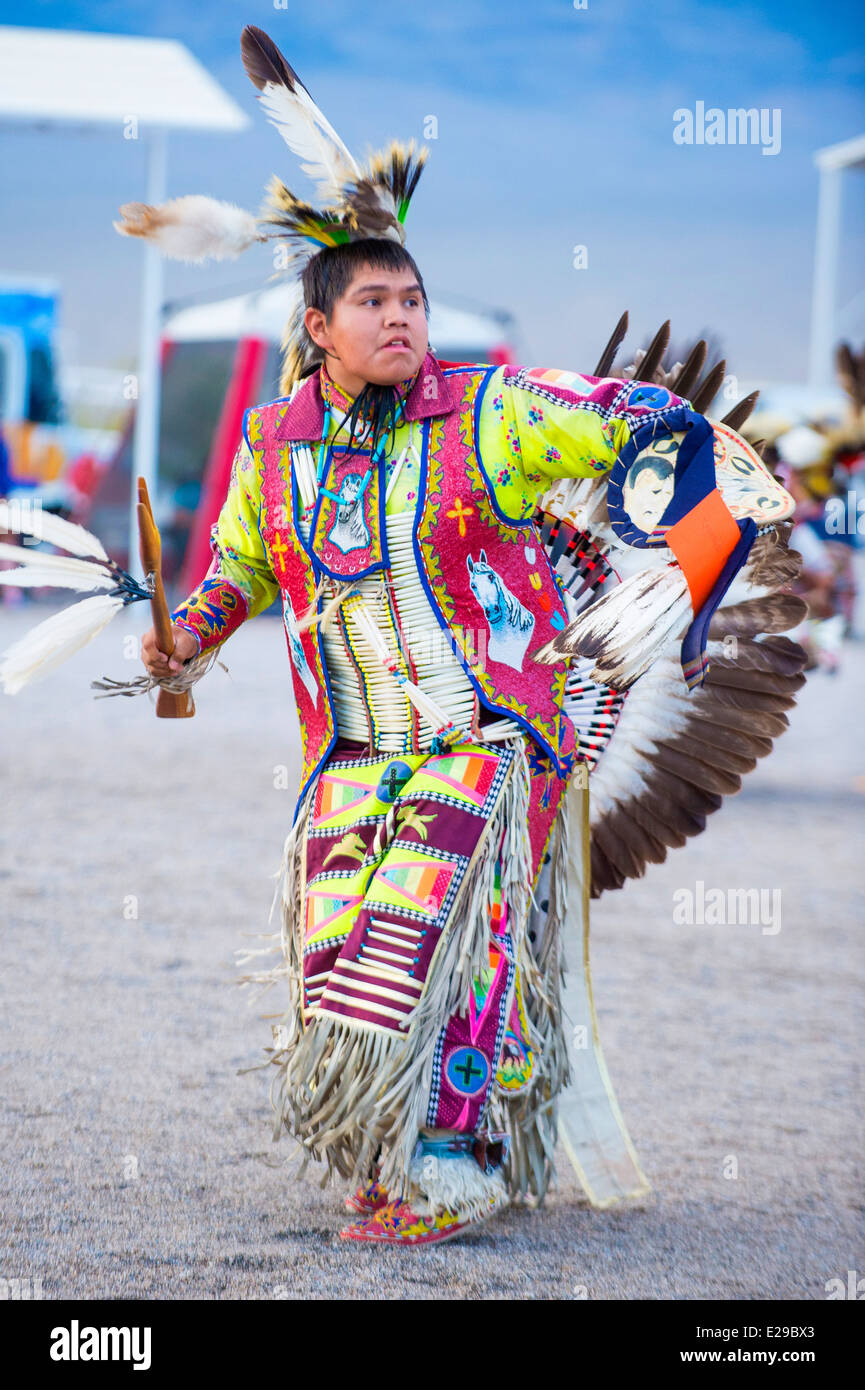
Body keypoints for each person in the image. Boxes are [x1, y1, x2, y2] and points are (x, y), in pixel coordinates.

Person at [133, 25, 802, 1246]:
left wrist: (683, 546)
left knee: (440, 934)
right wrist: (188, 638)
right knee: (341, 971)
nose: (402, 319)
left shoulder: (484, 414)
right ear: (320, 327)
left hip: (491, 736)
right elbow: (239, 568)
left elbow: (635, 418)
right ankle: (394, 1152)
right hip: (349, 750)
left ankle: (460, 1164)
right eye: (375, 302)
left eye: (413, 300)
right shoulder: (274, 448)